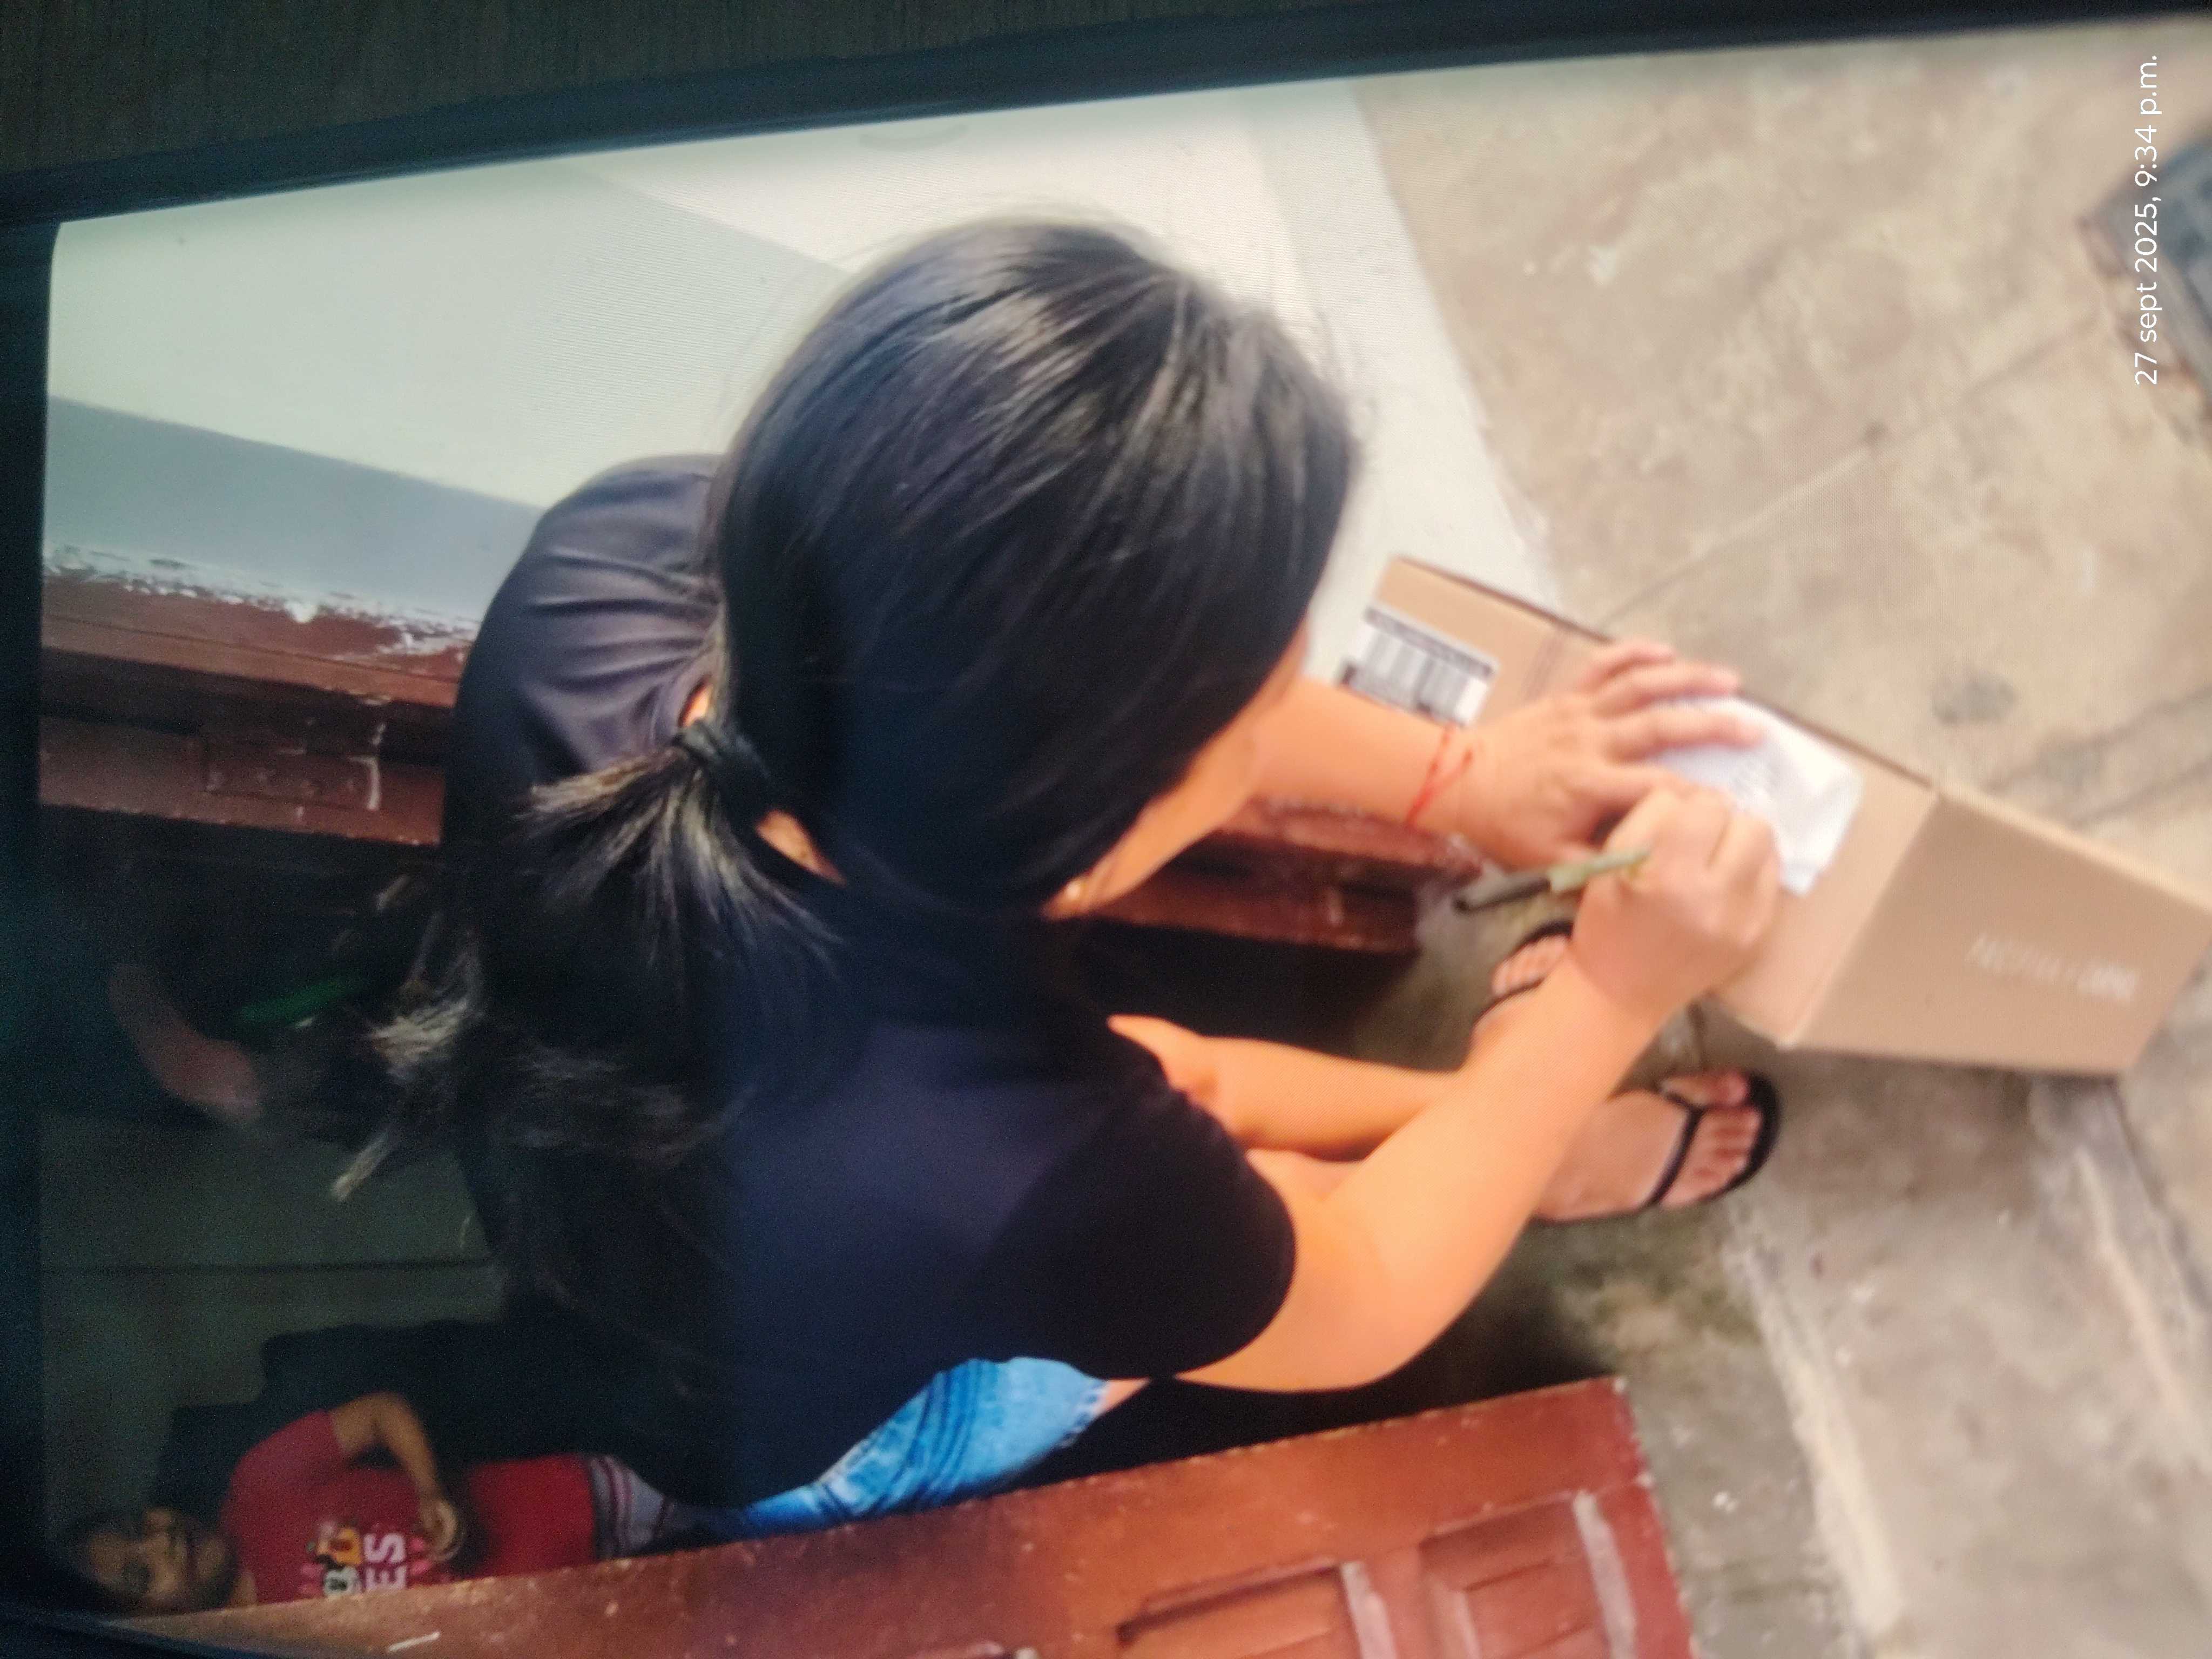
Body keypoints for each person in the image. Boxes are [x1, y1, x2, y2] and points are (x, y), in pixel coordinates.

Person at [137, 219, 1785, 1528]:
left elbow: (1038, 655)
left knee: (1172, 1091)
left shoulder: (614, 561)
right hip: (834, 1433)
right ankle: (1545, 1153)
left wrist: (1466, 778)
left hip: (688, 1241)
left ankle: (1510, 1141)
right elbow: (1358, 1305)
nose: (1290, 690)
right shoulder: (980, 1157)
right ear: (1093, 848)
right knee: (1259, 1197)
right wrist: (1599, 997)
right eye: (1254, 696)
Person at [59, 1390, 689, 1615]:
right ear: (146, 1622)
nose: (161, 1541)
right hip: (576, 1627)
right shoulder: (258, 1645)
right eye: (141, 1575)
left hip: (572, 1503)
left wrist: (430, 1489)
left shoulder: (259, 1484)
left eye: (138, 1525)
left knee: (728, 1495)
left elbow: (381, 1412)